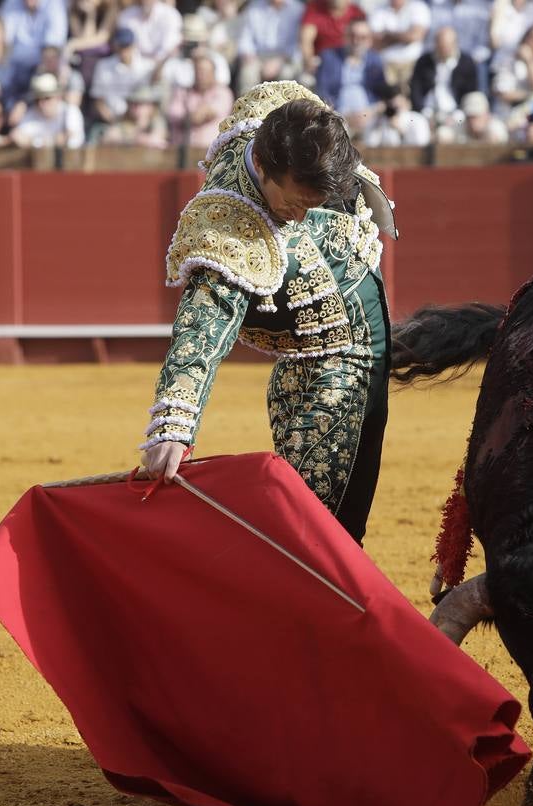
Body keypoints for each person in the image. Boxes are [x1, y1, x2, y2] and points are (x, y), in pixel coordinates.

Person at [143, 81, 399, 544]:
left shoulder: (279, 114)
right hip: (298, 359)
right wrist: (174, 427)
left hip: (351, 355)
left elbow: (314, 122)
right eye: (296, 202)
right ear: (260, 164)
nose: (300, 216)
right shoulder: (230, 225)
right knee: (307, 524)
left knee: (318, 531)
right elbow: (202, 327)